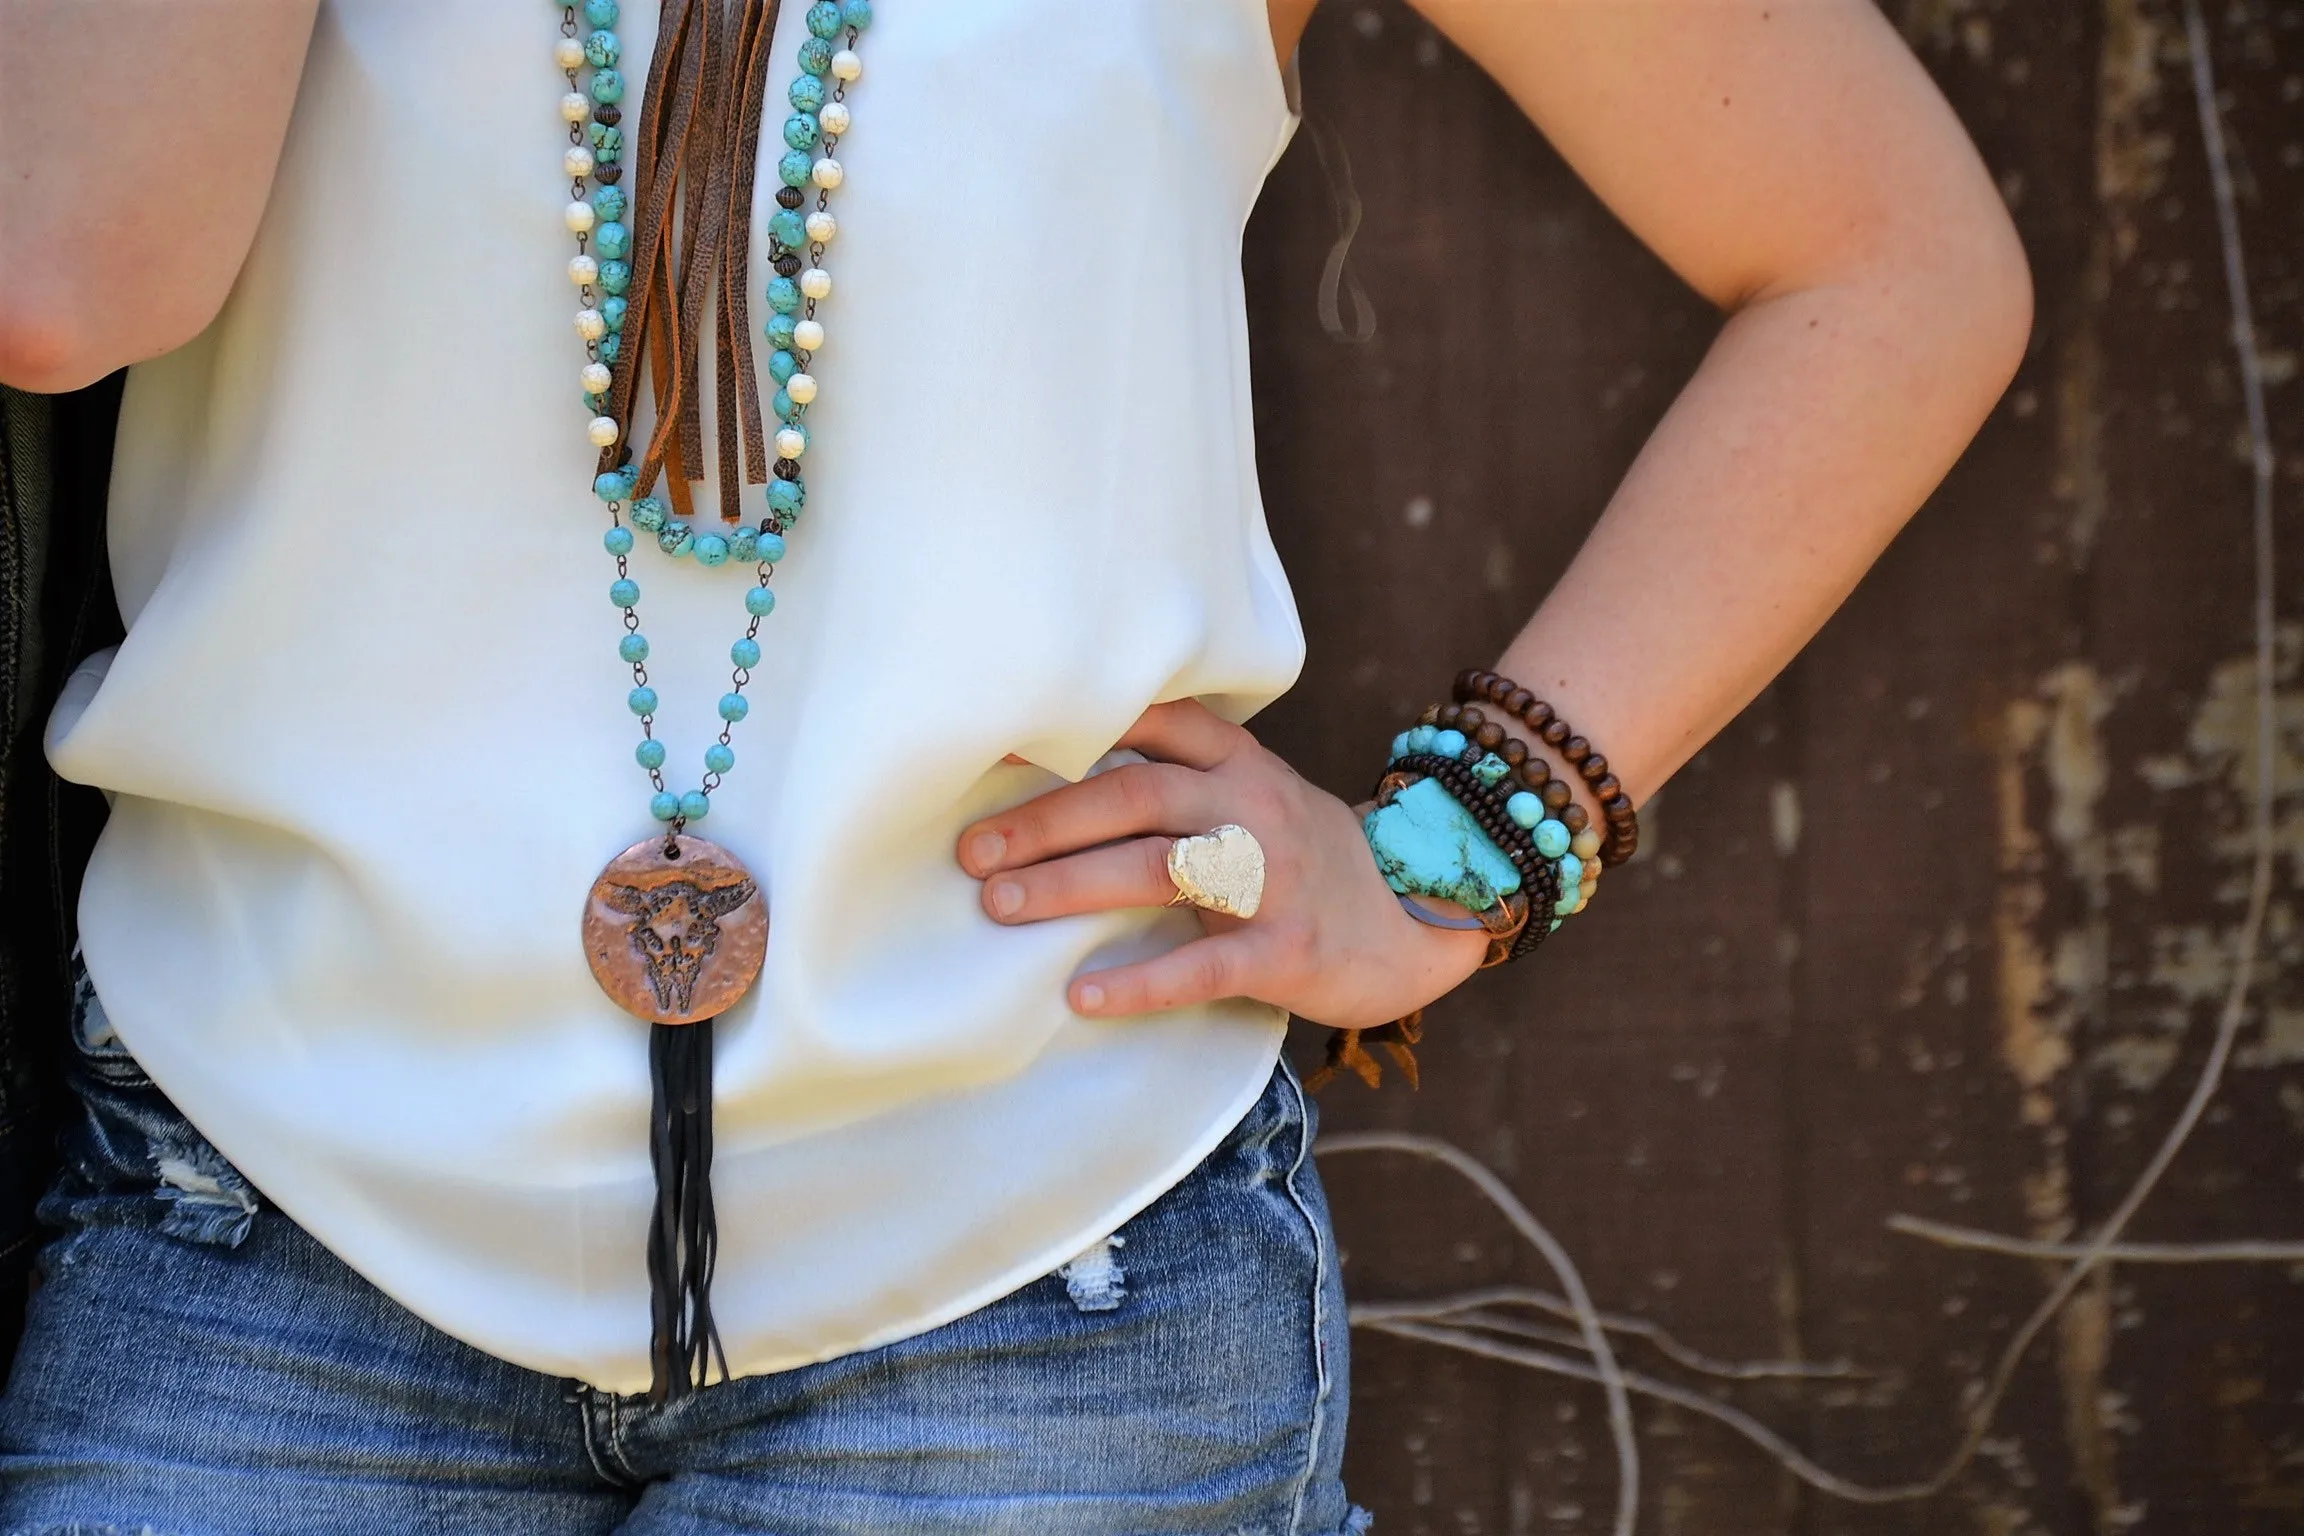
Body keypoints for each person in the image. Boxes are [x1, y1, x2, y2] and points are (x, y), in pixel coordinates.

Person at [0, 0, 2030, 1531]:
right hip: (258, 1230)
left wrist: (1465, 840)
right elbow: (63, 269)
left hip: (1036, 1306)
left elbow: (1886, 260)